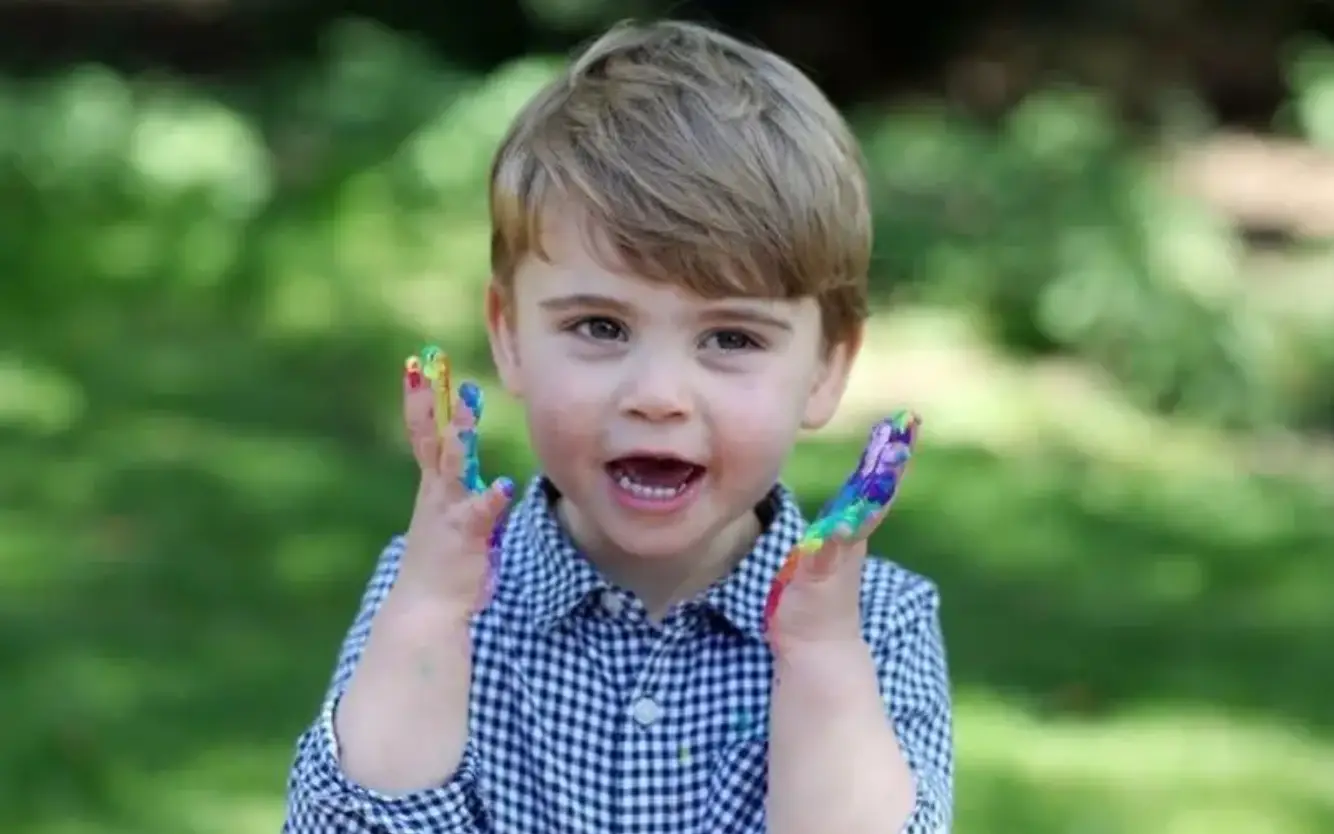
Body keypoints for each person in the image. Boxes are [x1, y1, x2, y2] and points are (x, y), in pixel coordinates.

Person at [282, 18, 954, 834]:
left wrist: (819, 660)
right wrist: (427, 615)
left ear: (826, 368)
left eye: (731, 338)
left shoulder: (878, 623)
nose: (658, 395)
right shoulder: (437, 591)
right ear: (509, 335)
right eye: (601, 327)